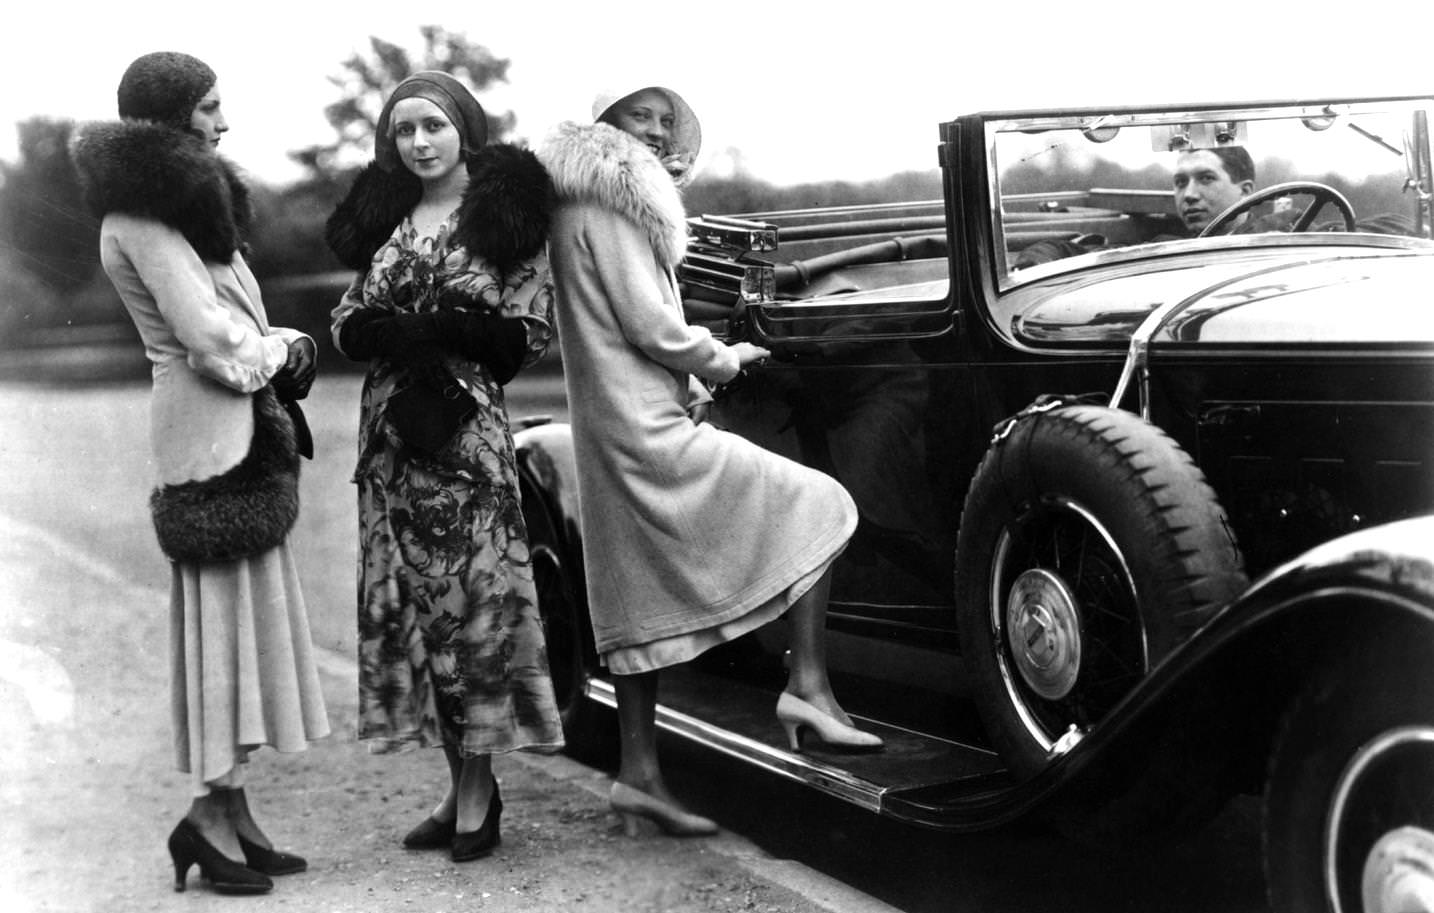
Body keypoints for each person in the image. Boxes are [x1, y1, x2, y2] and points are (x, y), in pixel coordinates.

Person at [538, 85, 883, 838]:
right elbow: (652, 324)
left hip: (610, 427)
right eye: (641, 118)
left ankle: (638, 776)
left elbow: (614, 326)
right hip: (647, 428)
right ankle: (809, 687)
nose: (658, 133)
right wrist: (722, 360)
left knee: (633, 601)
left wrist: (689, 375)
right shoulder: (611, 202)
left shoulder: (573, 203)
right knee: (822, 503)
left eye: (668, 120)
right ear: (608, 127)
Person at [70, 51, 329, 895]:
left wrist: (268, 346)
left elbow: (225, 322)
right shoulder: (142, 219)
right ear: (173, 117)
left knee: (241, 626)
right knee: (222, 629)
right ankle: (205, 816)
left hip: (237, 427)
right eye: (212, 107)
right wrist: (287, 348)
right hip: (209, 435)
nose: (225, 122)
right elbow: (211, 340)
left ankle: (233, 809)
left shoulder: (182, 214)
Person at [325, 71, 564, 863]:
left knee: (476, 611)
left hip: (464, 442)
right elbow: (346, 317)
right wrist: (382, 330)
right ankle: (458, 781)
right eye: (403, 131)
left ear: (464, 126)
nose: (419, 143)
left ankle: (477, 788)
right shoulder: (387, 214)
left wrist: (454, 328)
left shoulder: (508, 219)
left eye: (433, 126)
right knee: (420, 616)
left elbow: (527, 332)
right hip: (392, 439)